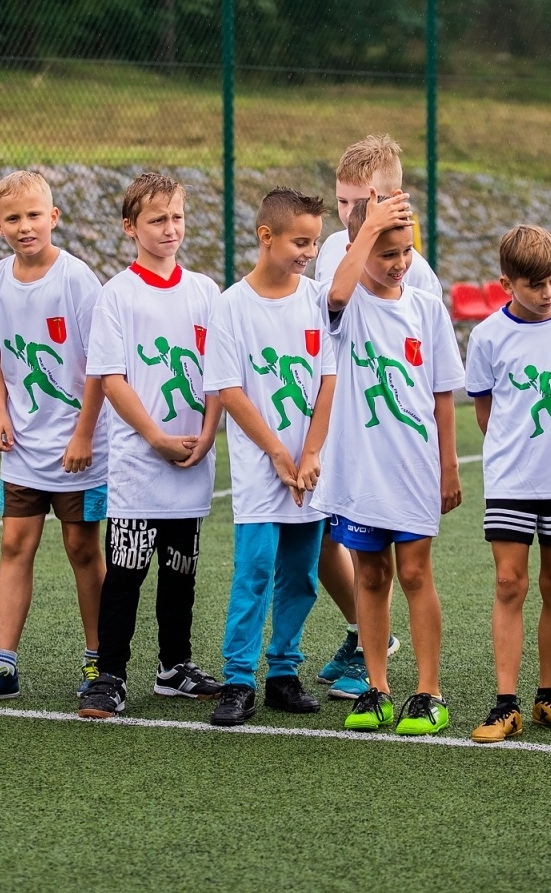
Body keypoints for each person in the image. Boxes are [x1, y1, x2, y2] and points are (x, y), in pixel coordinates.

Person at [0, 171, 110, 704]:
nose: (25, 227)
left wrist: (84, 433)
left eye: (34, 216)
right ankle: (3, 664)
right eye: (13, 219)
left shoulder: (78, 279)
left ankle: (99, 662)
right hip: (22, 445)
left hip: (77, 447)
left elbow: (99, 365)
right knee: (15, 543)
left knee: (81, 547)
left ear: (53, 217)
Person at [310, 189, 463, 735]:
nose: (399, 264)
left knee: (417, 573)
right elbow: (335, 289)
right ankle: (377, 688)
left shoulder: (426, 309)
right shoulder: (344, 309)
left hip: (414, 470)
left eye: (406, 252)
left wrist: (449, 467)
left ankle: (429, 692)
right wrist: (369, 225)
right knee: (371, 577)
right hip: (358, 473)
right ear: (358, 247)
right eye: (385, 252)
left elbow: (444, 394)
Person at [77, 172, 224, 718]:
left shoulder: (206, 292)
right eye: (157, 220)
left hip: (193, 459)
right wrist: (157, 436)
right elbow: (111, 378)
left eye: (177, 218)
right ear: (130, 227)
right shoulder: (116, 294)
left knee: (181, 569)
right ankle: (110, 674)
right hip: (141, 464)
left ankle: (173, 668)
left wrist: (206, 435)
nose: (170, 229)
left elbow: (219, 376)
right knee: (126, 574)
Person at [204, 188, 337, 726]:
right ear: (266, 237)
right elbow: (230, 390)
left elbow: (328, 379)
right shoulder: (232, 305)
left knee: (302, 574)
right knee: (254, 571)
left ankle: (283, 670)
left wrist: (309, 453)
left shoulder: (312, 298)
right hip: (265, 471)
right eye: (300, 241)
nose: (308, 251)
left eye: (314, 242)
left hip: (309, 471)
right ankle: (238, 680)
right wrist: (281, 455)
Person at [463, 226, 551, 742]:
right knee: (509, 584)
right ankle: (505, 705)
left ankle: (548, 697)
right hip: (510, 481)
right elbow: (486, 413)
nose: (548, 294)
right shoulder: (487, 337)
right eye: (535, 285)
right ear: (506, 284)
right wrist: (515, 453)